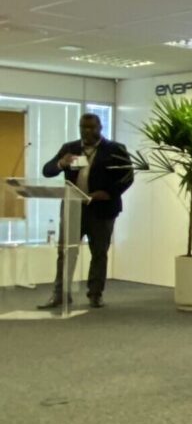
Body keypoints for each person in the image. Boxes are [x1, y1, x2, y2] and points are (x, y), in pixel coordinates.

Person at [38, 113, 133, 309]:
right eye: (83, 127)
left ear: (100, 128)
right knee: (66, 252)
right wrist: (61, 163)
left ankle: (95, 294)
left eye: (91, 127)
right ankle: (60, 294)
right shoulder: (70, 148)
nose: (86, 131)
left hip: (102, 209)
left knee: (99, 252)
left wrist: (108, 193)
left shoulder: (114, 149)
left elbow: (127, 176)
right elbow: (47, 171)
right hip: (73, 208)